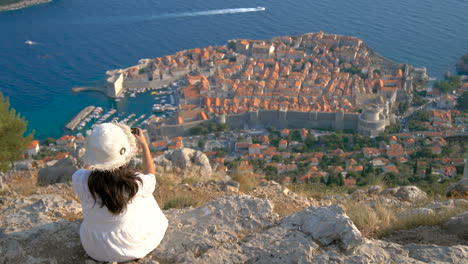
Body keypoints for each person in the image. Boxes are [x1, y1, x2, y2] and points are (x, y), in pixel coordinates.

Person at [72, 122, 168, 262]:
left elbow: (86, 169)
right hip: (129, 247)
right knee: (146, 194)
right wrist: (144, 145)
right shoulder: (133, 184)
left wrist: (95, 155)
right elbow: (151, 176)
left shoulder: (80, 179)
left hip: (94, 247)